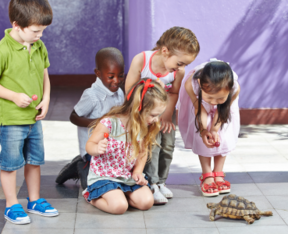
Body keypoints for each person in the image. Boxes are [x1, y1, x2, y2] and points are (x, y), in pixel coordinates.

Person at [0, 0, 58, 225]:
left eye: (43, 30)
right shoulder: (1, 50)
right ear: (17, 25)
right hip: (11, 120)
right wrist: (14, 96)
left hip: (33, 118)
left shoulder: (38, 46)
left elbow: (44, 74)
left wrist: (46, 99)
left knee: (34, 161)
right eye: (36, 31)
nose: (40, 35)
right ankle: (11, 205)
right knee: (10, 163)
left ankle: (34, 200)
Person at [125, 27, 200, 204]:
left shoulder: (177, 72)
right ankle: (152, 183)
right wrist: (150, 88)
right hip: (145, 114)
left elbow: (173, 93)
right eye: (180, 63)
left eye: (185, 65)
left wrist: (166, 116)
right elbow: (129, 91)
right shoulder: (141, 60)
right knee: (152, 147)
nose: (181, 68)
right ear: (165, 51)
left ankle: (161, 181)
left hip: (165, 113)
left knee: (168, 145)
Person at [83, 78, 167, 214]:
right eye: (153, 115)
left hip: (125, 176)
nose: (156, 119)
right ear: (138, 109)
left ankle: (119, 194)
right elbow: (89, 145)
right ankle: (90, 196)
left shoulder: (144, 127)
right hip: (104, 176)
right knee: (119, 207)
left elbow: (142, 152)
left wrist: (138, 171)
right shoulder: (109, 123)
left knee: (147, 202)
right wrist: (96, 149)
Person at [55, 47, 125, 190]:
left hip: (112, 148)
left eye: (121, 76)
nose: (116, 81)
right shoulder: (91, 96)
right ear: (98, 73)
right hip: (93, 149)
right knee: (92, 188)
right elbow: (73, 117)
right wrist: (98, 123)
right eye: (111, 76)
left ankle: (82, 163)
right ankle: (82, 163)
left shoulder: (119, 93)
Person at [177, 59, 240, 197]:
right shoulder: (192, 85)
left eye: (219, 98)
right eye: (210, 98)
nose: (213, 102)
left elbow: (222, 110)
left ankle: (218, 173)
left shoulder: (234, 88)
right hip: (199, 105)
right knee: (201, 137)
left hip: (224, 111)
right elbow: (200, 110)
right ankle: (207, 174)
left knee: (222, 135)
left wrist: (214, 130)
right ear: (200, 84)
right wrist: (204, 130)